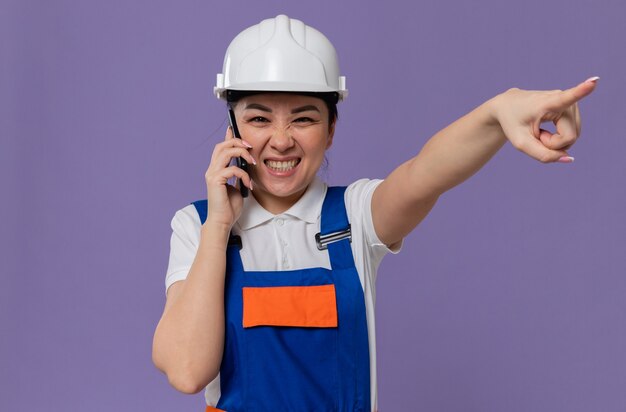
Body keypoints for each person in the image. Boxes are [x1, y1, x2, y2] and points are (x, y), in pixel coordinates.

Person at [152, 14, 597, 412]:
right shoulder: (196, 225)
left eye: (304, 118)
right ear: (233, 127)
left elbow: (425, 173)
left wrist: (498, 111)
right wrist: (219, 226)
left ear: (330, 131)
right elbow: (187, 371)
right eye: (260, 118)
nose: (282, 140)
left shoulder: (354, 216)